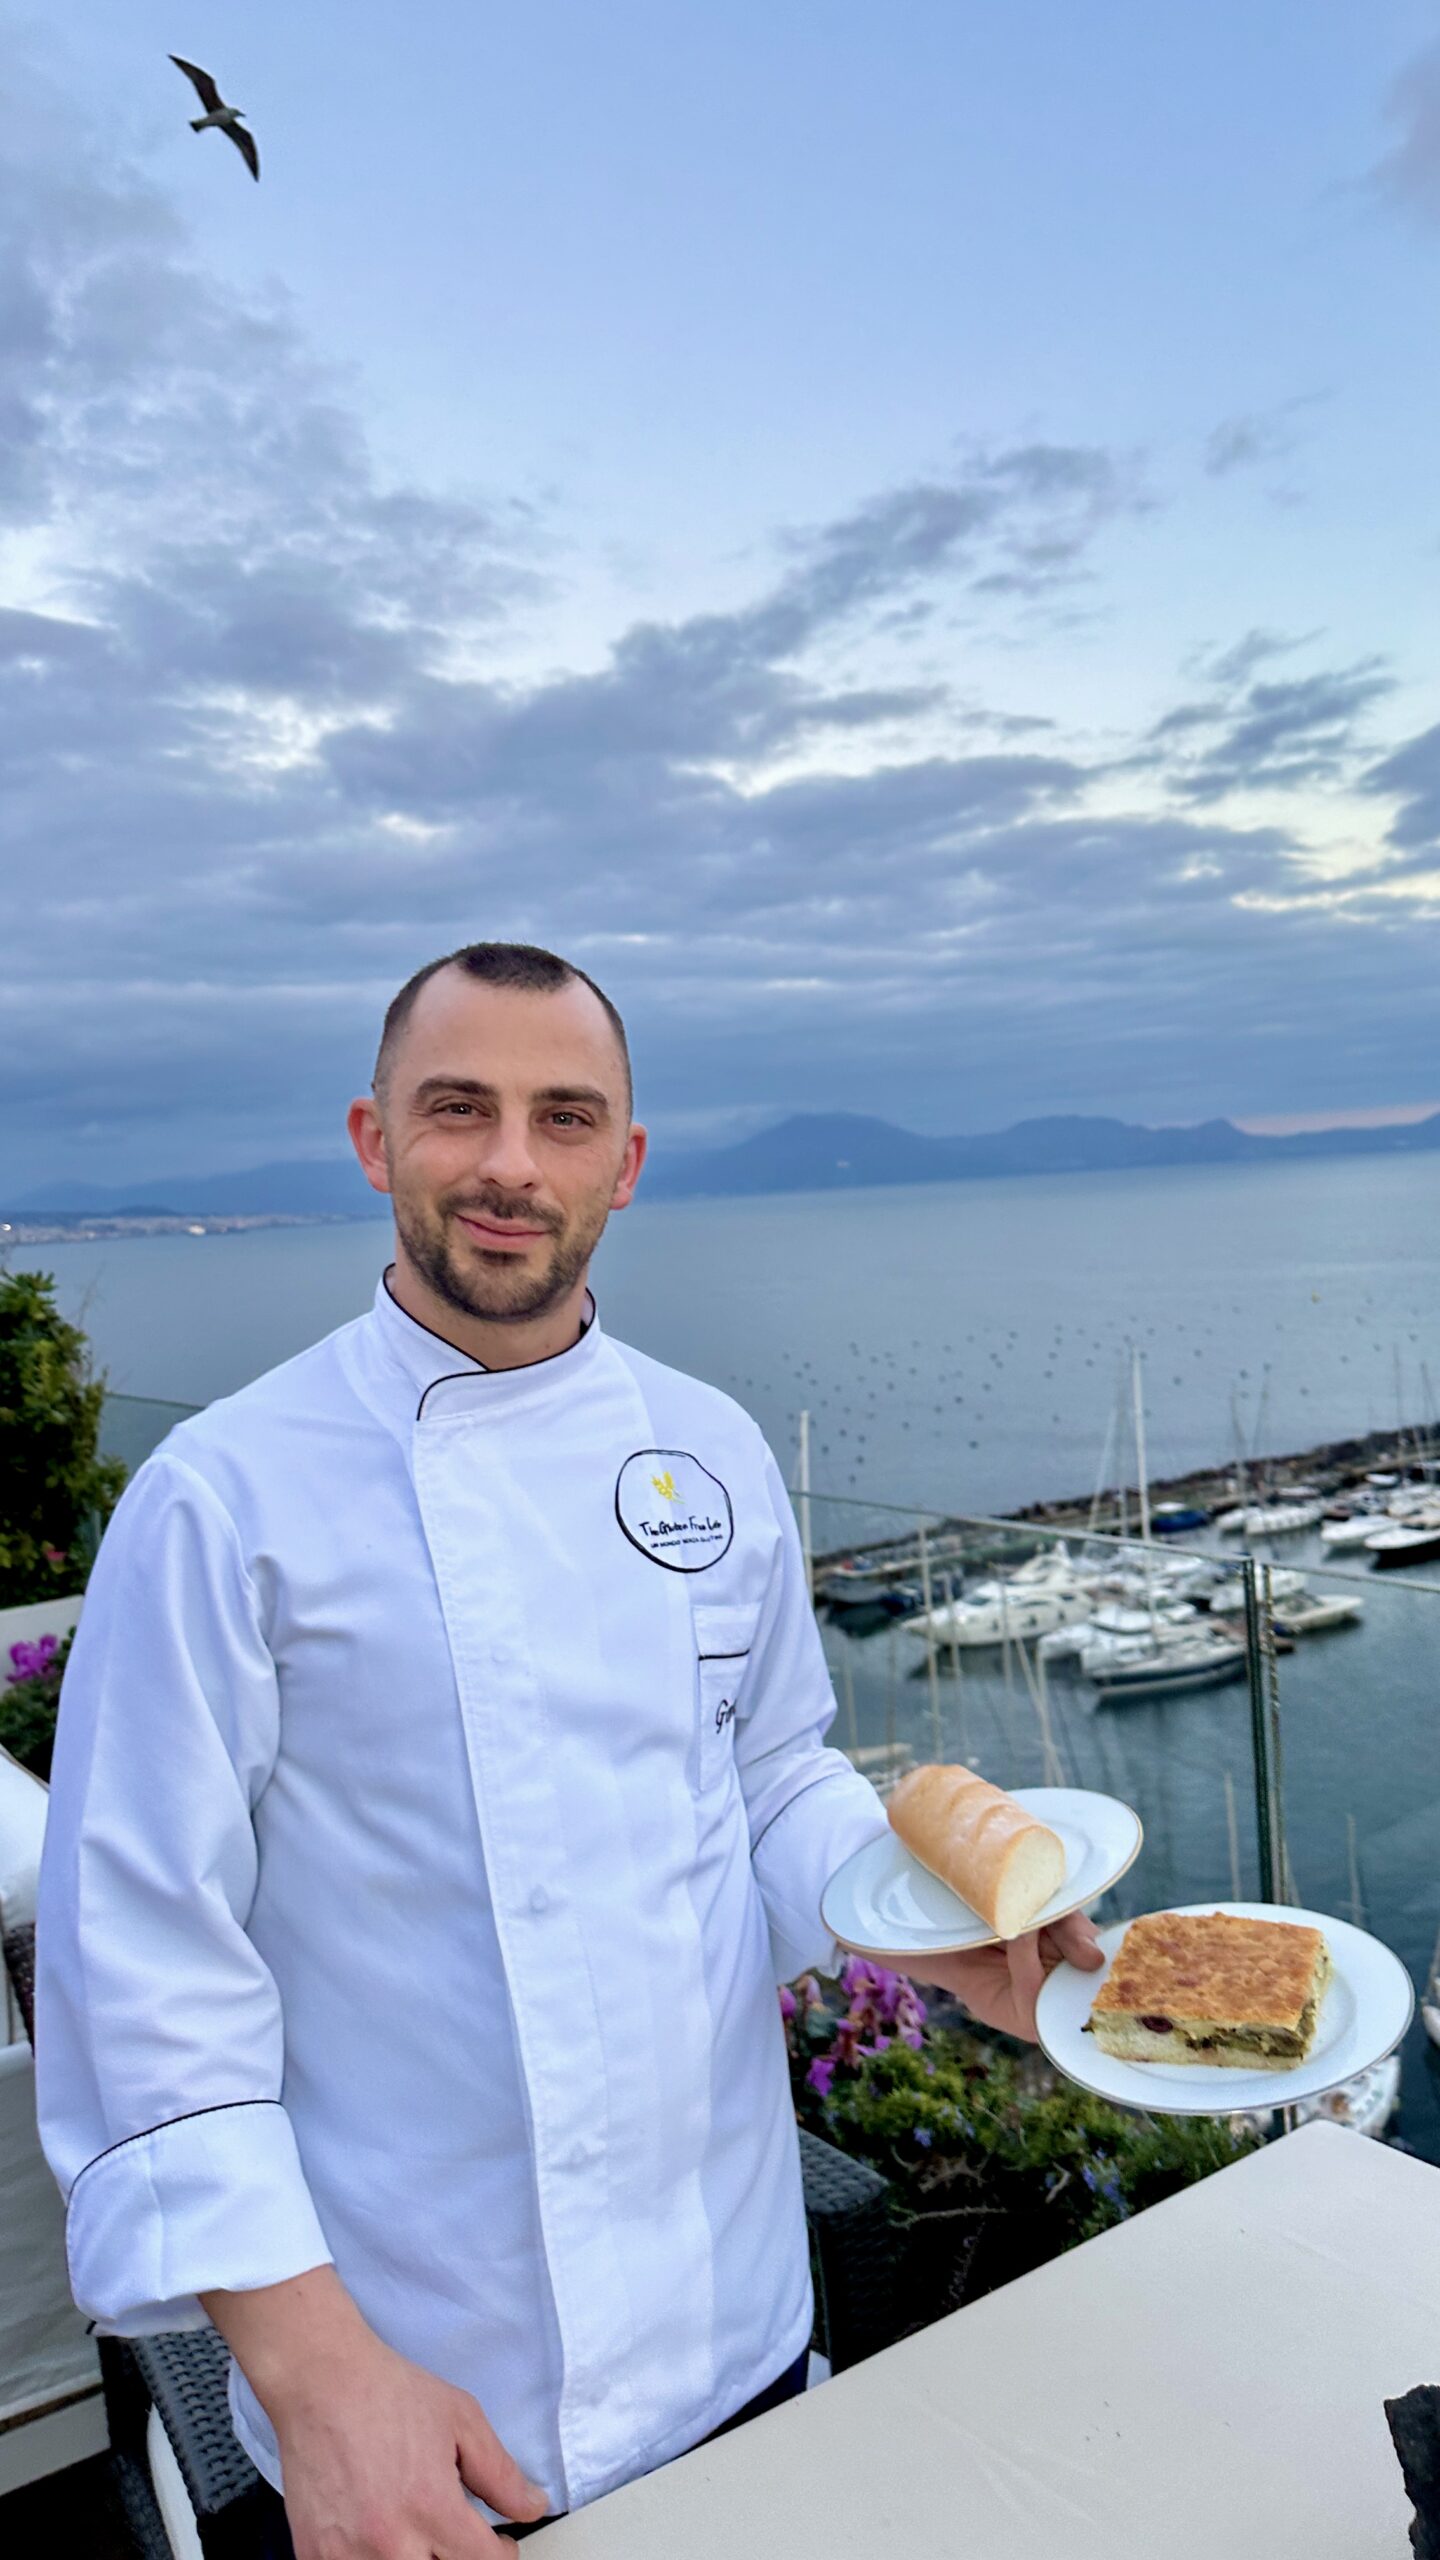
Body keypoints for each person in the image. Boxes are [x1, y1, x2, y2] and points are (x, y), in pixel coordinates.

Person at [36, 943, 1102, 2558]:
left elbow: (774, 1776)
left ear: (629, 1163)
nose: (512, 1165)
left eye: (566, 1117)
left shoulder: (712, 1449)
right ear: (374, 1137)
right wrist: (324, 2386)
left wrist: (937, 1928)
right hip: (417, 2411)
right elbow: (136, 1974)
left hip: (741, 2343)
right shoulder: (221, 1500)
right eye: (458, 1109)